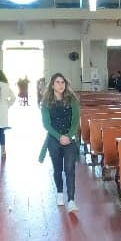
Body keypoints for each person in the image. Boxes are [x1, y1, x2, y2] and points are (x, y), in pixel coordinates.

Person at [38, 73, 81, 213]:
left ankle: (71, 200)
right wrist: (59, 136)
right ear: (52, 85)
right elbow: (46, 124)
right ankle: (59, 193)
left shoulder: (72, 100)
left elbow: (75, 121)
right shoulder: (46, 102)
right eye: (57, 82)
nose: (60, 85)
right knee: (57, 169)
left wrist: (69, 136)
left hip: (69, 139)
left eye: (62, 82)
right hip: (53, 140)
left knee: (69, 169)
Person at [0, 68, 16, 161]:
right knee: (1, 131)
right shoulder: (6, 85)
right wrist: (7, 105)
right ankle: (3, 150)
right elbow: (13, 98)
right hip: (4, 110)